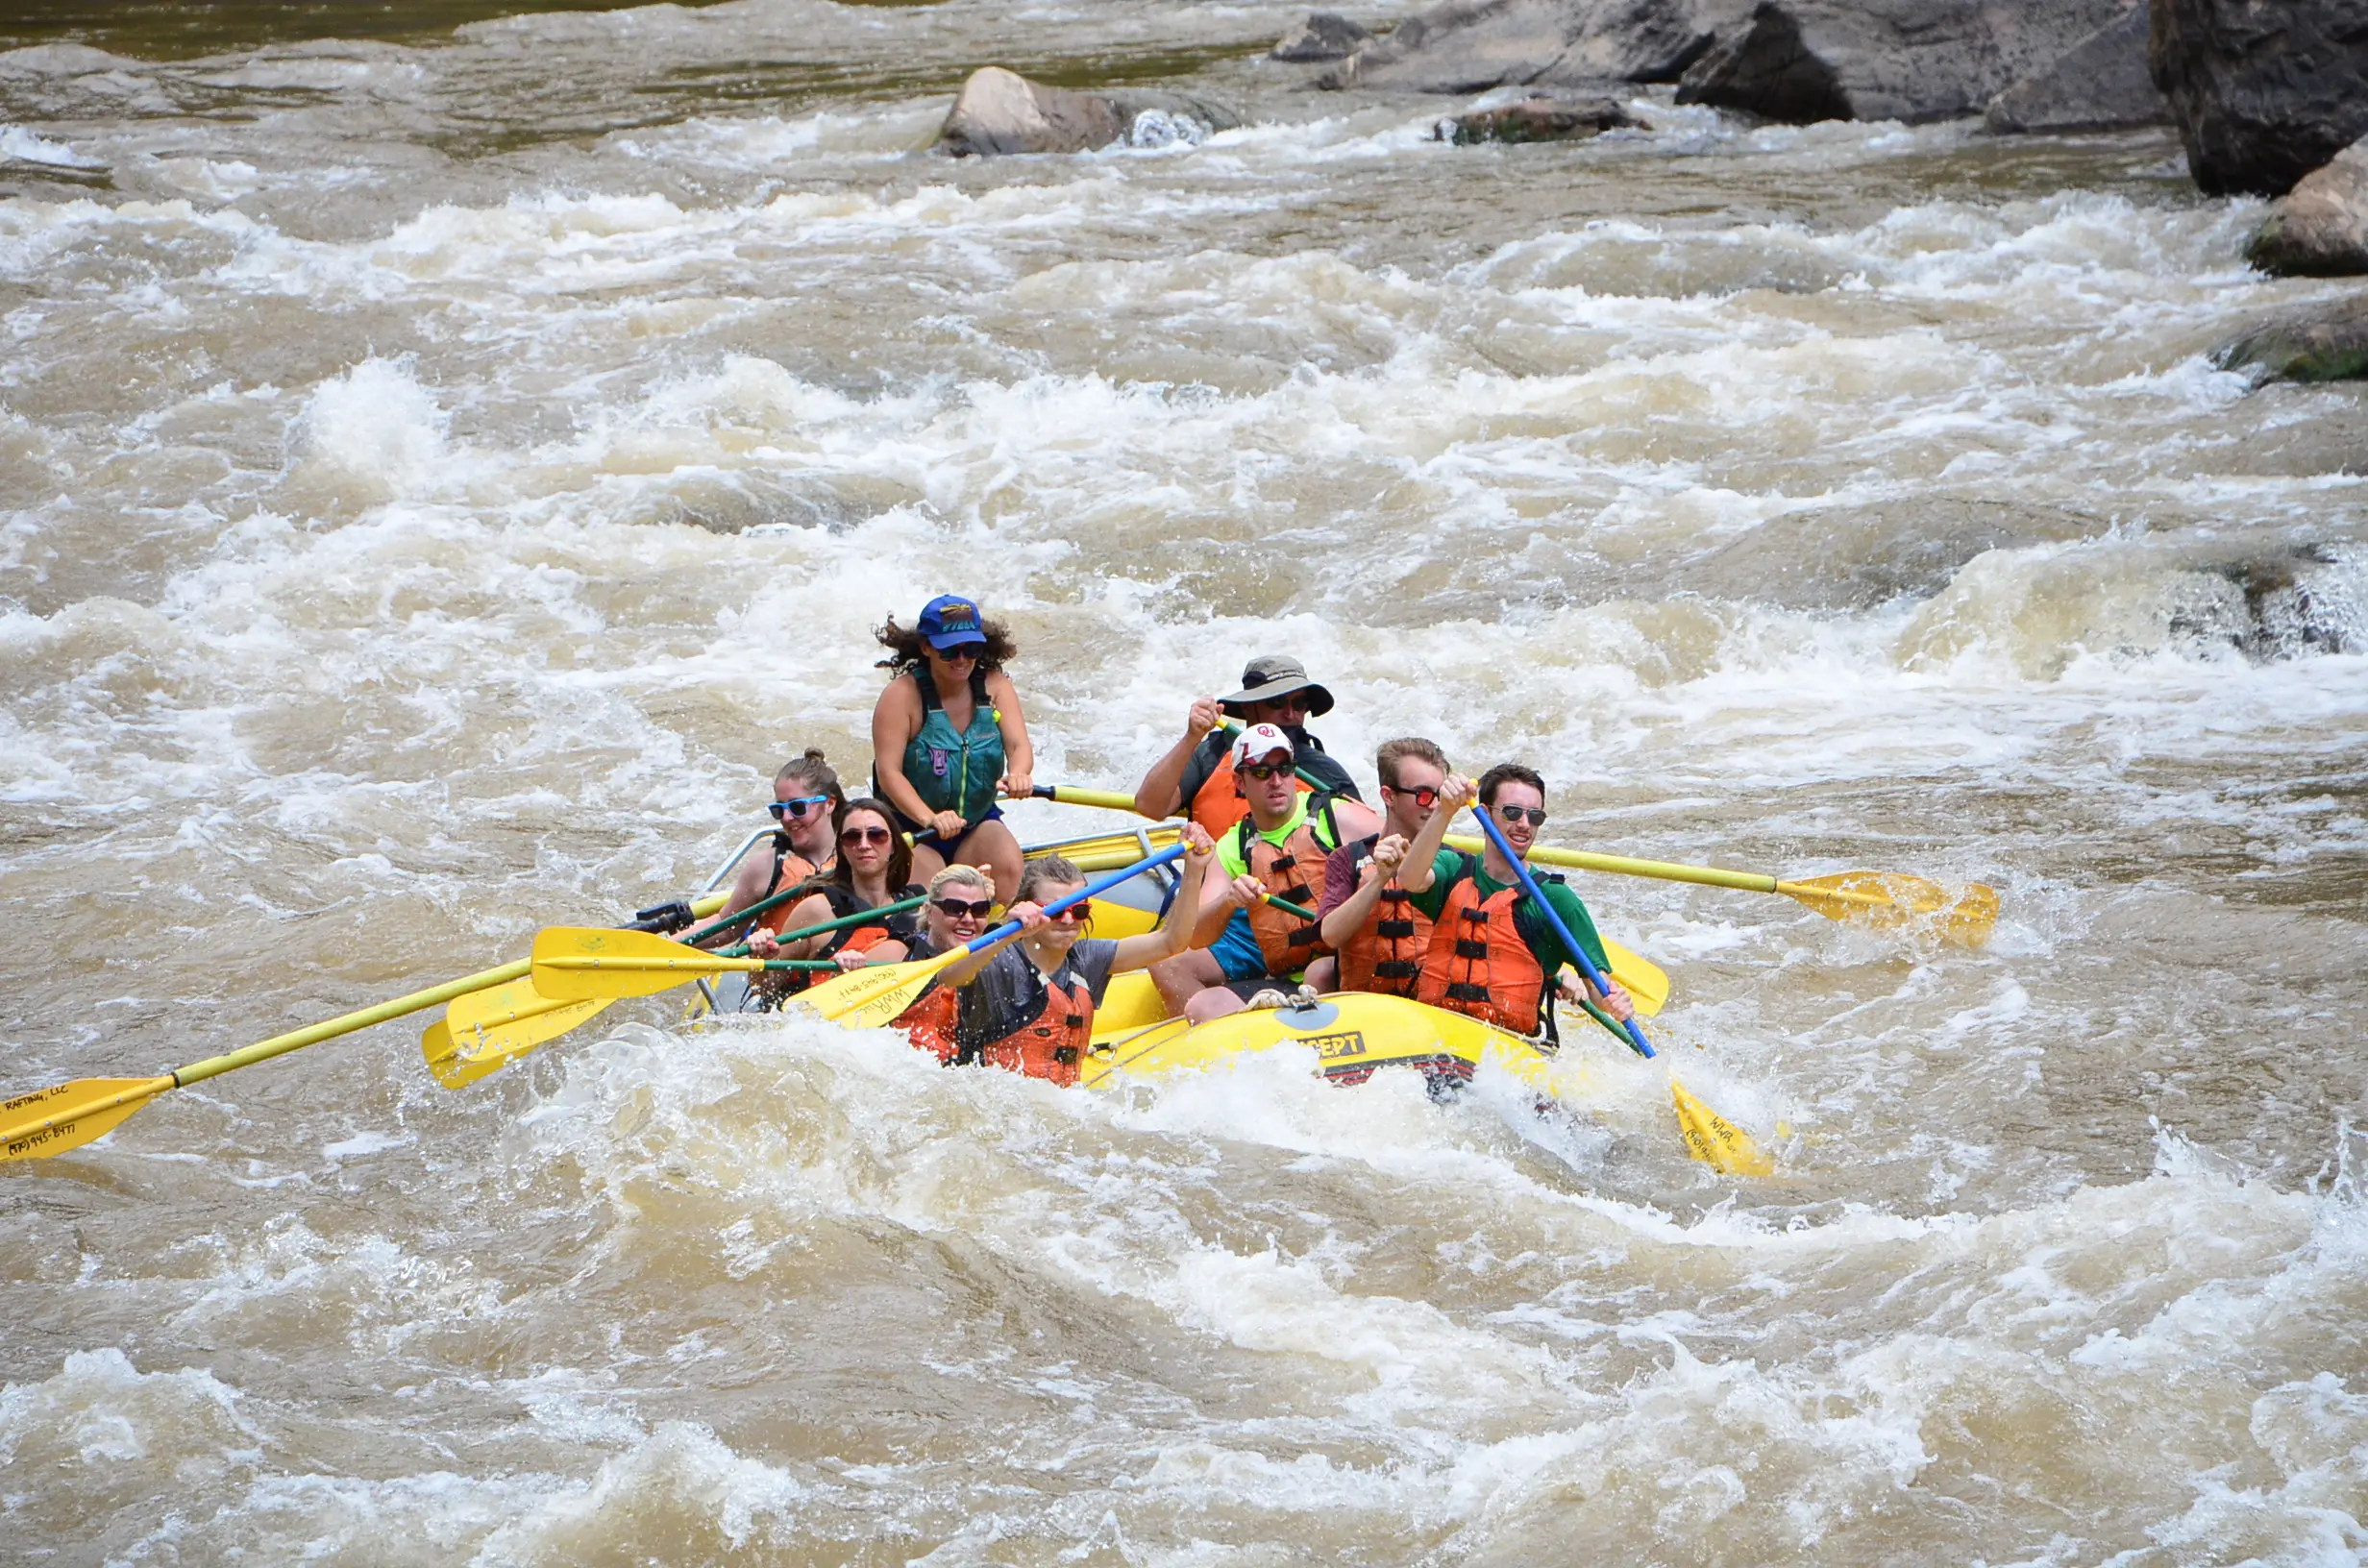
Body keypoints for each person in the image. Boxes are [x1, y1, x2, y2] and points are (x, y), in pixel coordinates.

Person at [924, 827, 1215, 1085]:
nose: (1067, 920)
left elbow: (1170, 943)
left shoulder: (1086, 958)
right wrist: (1008, 934)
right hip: (991, 1105)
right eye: (1054, 911)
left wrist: (1194, 870)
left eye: (1078, 911)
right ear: (1030, 908)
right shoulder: (1000, 957)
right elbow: (950, 975)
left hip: (1059, 1105)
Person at [1393, 764, 1634, 1040]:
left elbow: (1598, 988)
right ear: (1484, 814)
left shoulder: (1556, 899)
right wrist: (1445, 811)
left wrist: (1613, 1000)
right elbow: (1409, 879)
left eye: (1535, 816)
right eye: (1512, 812)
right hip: (1435, 1034)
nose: (1524, 824)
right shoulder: (1454, 869)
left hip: (1506, 1053)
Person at [1148, 724, 1354, 1023]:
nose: (1276, 780)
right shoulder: (1232, 844)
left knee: (1318, 972)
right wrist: (1228, 901)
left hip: (1335, 960)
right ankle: (1221, 1042)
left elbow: (1400, 845)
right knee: (1166, 963)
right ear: (1239, 781)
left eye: (1285, 769)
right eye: (1261, 772)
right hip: (1271, 948)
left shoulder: (1336, 816)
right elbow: (1196, 935)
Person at [870, 594, 1034, 907]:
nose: (962, 659)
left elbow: (1018, 745)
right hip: (912, 831)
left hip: (975, 823)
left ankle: (1004, 938)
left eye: (971, 648)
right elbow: (888, 773)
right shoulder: (901, 696)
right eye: (949, 651)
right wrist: (930, 819)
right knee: (932, 900)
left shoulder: (996, 685)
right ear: (926, 647)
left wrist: (1019, 773)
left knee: (1009, 863)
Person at [1131, 655, 1369, 837]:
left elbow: (1366, 839)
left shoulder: (1322, 770)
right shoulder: (1213, 753)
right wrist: (1191, 738)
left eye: (1299, 703)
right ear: (1248, 707)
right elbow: (1150, 806)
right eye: (1277, 702)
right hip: (1216, 893)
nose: (1290, 713)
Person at [745, 797, 925, 1004]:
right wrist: (760, 957)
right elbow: (764, 989)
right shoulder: (815, 910)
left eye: (877, 835)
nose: (864, 845)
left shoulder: (918, 908)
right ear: (842, 849)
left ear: (893, 845)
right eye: (852, 837)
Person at [1317, 737, 1451, 999]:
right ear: (1389, 796)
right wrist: (1378, 879)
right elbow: (1330, 936)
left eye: (1440, 796)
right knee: (1317, 972)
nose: (1434, 806)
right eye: (1423, 796)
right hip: (1367, 1007)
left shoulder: (1452, 861)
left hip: (1431, 1011)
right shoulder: (1347, 858)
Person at [683, 749, 845, 949]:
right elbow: (726, 926)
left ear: (829, 804)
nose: (786, 818)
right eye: (779, 810)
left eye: (797, 807)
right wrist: (665, 946)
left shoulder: (858, 852)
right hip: (780, 975)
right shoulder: (767, 865)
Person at [874, 864, 999, 1065]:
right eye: (955, 909)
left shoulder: (997, 962)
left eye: (979, 910)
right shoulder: (898, 953)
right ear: (930, 913)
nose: (968, 919)